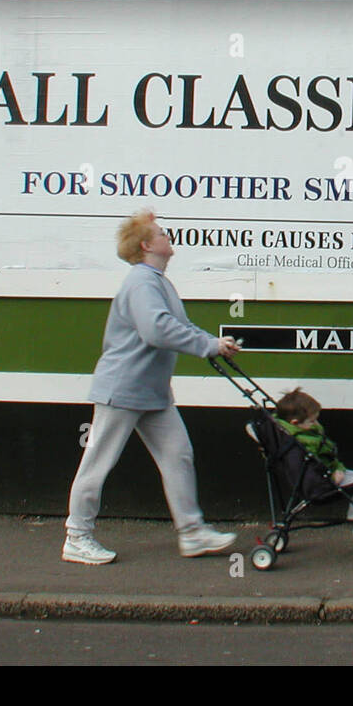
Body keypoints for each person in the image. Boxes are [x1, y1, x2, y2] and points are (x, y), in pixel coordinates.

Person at [63, 209, 241, 564]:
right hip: (123, 389)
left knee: (178, 455)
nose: (167, 237)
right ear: (147, 245)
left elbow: (177, 324)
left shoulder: (158, 282)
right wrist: (209, 345)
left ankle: (192, 533)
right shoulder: (142, 282)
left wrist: (213, 344)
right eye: (161, 233)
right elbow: (156, 329)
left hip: (151, 392)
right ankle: (77, 538)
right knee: (98, 462)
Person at [273, 387, 353, 546]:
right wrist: (335, 472)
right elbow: (317, 462)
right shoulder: (300, 442)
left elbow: (328, 456)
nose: (316, 424)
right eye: (312, 421)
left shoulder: (303, 433)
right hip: (319, 483)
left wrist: (338, 468)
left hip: (327, 472)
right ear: (295, 423)